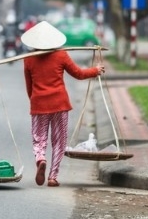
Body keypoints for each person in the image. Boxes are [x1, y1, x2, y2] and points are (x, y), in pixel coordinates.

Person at [20, 21, 105, 187]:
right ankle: (52, 177)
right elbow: (79, 74)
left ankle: (40, 159)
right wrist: (96, 70)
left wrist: (36, 101)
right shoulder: (61, 55)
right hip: (60, 103)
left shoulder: (28, 59)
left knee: (39, 139)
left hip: (39, 104)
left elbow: (29, 88)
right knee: (59, 141)